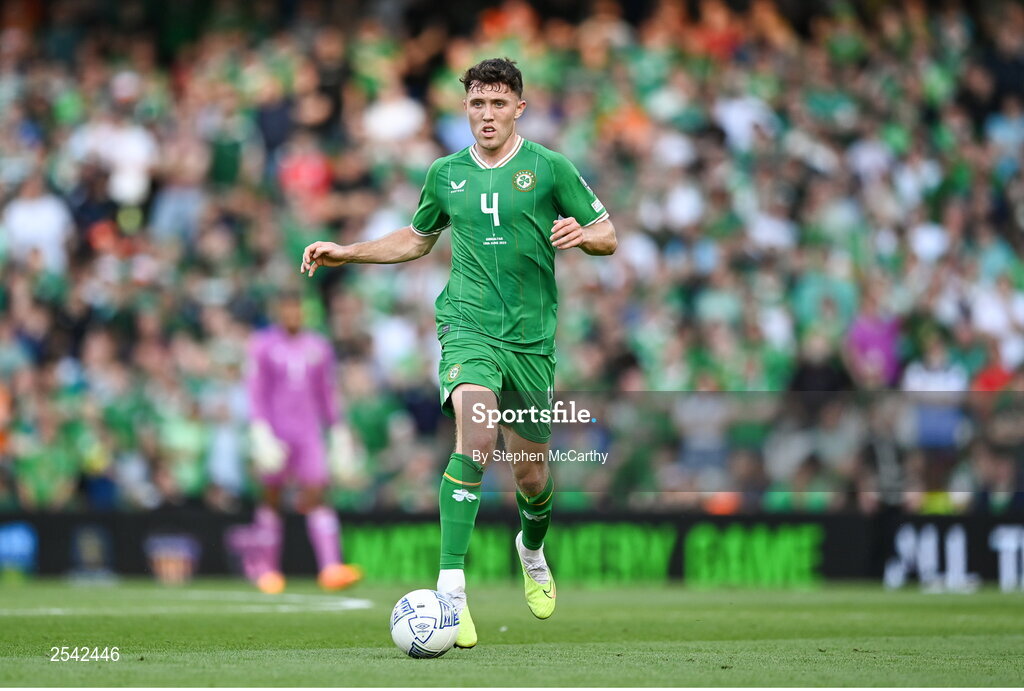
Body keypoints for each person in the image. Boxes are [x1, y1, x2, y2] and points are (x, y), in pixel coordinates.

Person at [300, 58, 617, 648]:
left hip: (531, 340)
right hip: (467, 327)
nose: (487, 114)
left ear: (519, 108)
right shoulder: (446, 173)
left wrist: (583, 236)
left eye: (498, 104)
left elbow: (608, 233)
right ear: (465, 108)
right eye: (477, 103)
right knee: (474, 436)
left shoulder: (549, 168)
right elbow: (417, 239)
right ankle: (451, 590)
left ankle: (531, 548)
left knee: (530, 473)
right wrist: (349, 250)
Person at [227, 290, 362, 594]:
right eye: (287, 309)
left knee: (316, 493)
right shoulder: (263, 345)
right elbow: (256, 390)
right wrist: (260, 431)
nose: (293, 314)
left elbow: (326, 392)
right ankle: (267, 569)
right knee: (272, 496)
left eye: (297, 309)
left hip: (308, 433)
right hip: (276, 432)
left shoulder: (318, 346)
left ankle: (330, 567)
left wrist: (338, 430)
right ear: (278, 311)